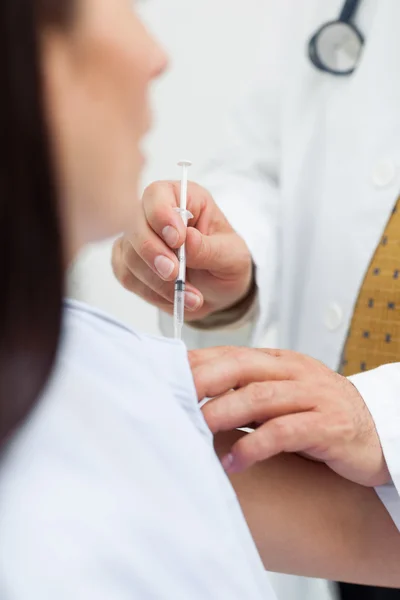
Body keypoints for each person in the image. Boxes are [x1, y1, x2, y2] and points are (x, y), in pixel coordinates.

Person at [3, 1, 399, 599]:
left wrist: (384, 423)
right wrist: (236, 268)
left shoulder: (115, 386)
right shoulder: (111, 388)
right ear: (30, 58)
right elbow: (269, 166)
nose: (158, 57)